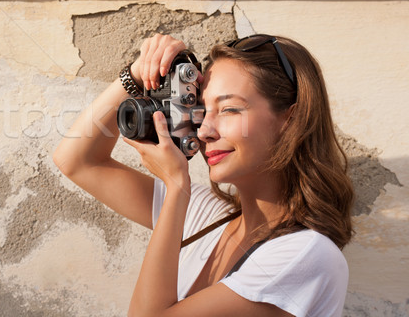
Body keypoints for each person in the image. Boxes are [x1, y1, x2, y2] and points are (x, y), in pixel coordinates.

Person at [53, 33, 354, 317]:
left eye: (229, 109)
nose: (205, 130)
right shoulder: (207, 215)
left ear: (290, 118)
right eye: (201, 109)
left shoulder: (307, 256)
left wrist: (176, 186)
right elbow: (77, 160)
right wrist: (137, 74)